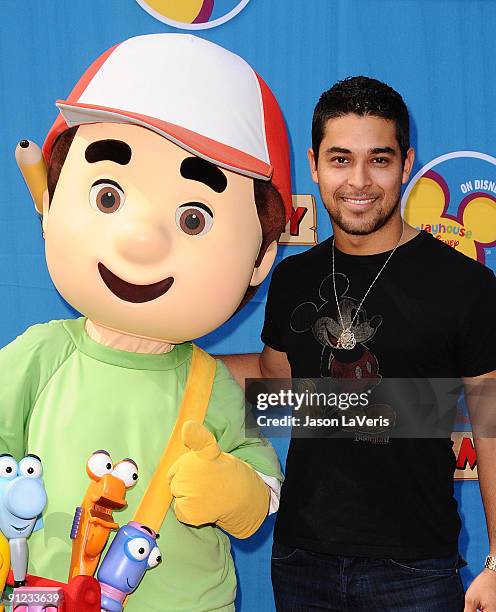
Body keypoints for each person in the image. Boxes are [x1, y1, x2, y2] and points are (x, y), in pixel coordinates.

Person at [0, 33, 292, 611]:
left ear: (260, 256)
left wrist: (232, 490)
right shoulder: (39, 356)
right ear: (52, 201)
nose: (141, 238)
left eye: (192, 218)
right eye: (108, 197)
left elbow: (262, 486)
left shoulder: (212, 386)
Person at [222, 76, 496, 611]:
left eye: (380, 159)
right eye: (342, 159)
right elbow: (277, 380)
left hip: (415, 569)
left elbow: (491, 426)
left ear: (407, 162)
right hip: (301, 561)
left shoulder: (465, 286)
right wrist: (177, 361)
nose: (360, 181)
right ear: (315, 164)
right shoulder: (294, 277)